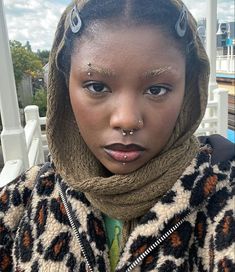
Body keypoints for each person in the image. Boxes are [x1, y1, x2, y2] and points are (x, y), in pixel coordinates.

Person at [0, 0, 234, 271]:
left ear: (188, 91)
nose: (127, 120)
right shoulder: (29, 194)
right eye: (97, 86)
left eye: (156, 90)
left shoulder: (220, 196)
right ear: (64, 87)